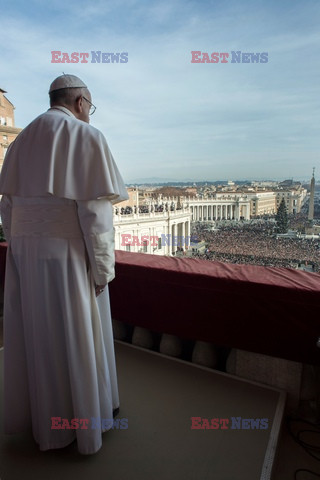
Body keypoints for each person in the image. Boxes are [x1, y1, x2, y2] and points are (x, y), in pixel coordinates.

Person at [0, 74, 129, 454]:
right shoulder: (87, 136)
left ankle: (44, 422)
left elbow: (7, 207)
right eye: (90, 106)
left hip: (25, 253)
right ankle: (83, 426)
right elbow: (96, 217)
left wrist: (21, 247)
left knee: (36, 335)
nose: (89, 112)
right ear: (80, 102)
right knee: (76, 334)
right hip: (70, 257)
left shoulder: (19, 141)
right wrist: (103, 269)